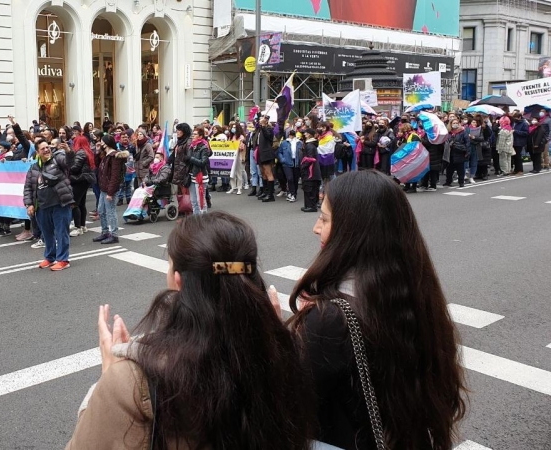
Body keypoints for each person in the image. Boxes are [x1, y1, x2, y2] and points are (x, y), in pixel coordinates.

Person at [66, 212, 314, 449]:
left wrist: (109, 377)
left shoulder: (135, 380)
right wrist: (274, 334)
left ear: (178, 281)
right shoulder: (283, 351)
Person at [284, 170, 467, 450]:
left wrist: (277, 334)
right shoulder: (412, 290)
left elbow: (286, 398)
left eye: (324, 218)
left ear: (352, 230)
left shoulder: (332, 320)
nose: (316, 228)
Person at [24, 139, 75, 271]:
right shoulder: (33, 168)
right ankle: (50, 257)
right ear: (37, 152)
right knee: (46, 233)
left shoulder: (58, 159)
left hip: (60, 204)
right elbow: (28, 188)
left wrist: (69, 152)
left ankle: (63, 259)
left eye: (48, 147)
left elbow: (70, 163)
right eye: (43, 149)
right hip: (42, 206)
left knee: (61, 232)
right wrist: (29, 204)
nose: (47, 150)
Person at [93, 134, 127, 245]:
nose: (100, 143)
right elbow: (97, 165)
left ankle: (114, 235)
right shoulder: (106, 155)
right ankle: (105, 231)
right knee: (101, 211)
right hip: (104, 188)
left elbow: (115, 176)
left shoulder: (114, 156)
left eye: (102, 141)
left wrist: (111, 192)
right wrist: (97, 152)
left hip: (109, 189)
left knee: (110, 212)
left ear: (106, 143)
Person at [301, 128, 321, 212]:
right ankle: (310, 205)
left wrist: (303, 166)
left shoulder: (310, 145)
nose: (304, 134)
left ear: (309, 134)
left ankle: (311, 206)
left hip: (310, 171)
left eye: (306, 133)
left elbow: (310, 159)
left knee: (310, 188)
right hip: (313, 171)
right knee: (311, 188)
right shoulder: (311, 144)